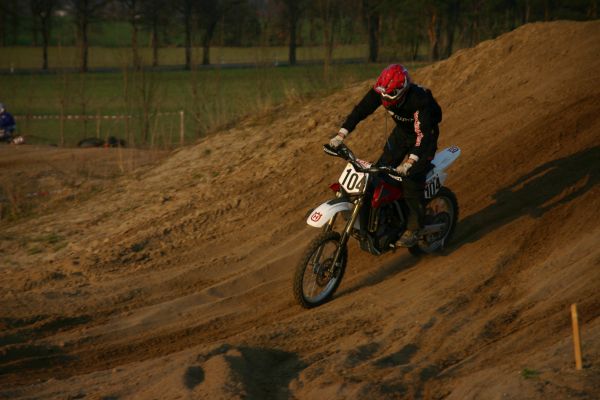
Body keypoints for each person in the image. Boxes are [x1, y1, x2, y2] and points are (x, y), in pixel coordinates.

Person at [329, 64, 442, 247]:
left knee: (411, 178)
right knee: (379, 173)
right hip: (402, 134)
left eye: (389, 95)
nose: (384, 98)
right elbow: (361, 110)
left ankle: (415, 227)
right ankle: (382, 220)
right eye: (382, 93)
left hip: (425, 137)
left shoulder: (419, 99)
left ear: (401, 90)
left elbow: (422, 135)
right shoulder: (382, 91)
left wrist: (410, 161)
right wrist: (341, 134)